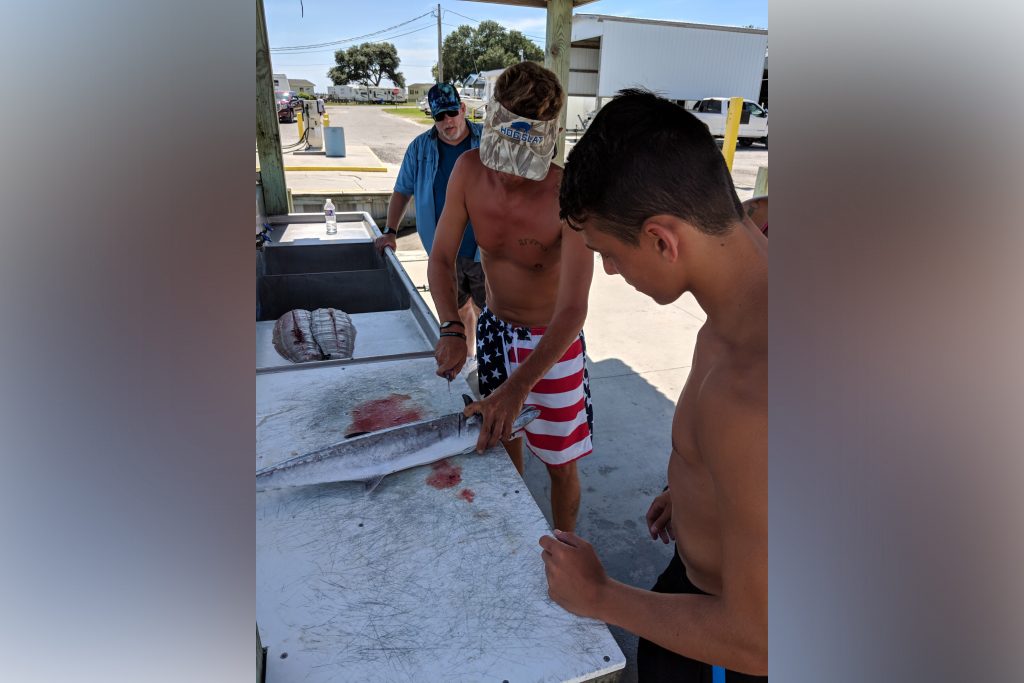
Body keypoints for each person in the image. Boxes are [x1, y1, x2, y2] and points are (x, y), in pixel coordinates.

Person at [538, 90, 768, 681]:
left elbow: (762, 638)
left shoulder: (753, 394)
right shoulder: (750, 274)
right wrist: (695, 485)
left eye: (608, 253)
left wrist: (600, 595)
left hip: (726, 646)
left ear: (663, 241)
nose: (610, 271)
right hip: (692, 578)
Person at [427, 62, 595, 533]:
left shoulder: (569, 194)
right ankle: (518, 539)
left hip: (553, 347)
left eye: (525, 161)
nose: (511, 173)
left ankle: (565, 546)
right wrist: (452, 327)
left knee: (561, 463)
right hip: (495, 332)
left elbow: (574, 309)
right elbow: (441, 258)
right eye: (503, 155)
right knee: (503, 448)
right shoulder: (467, 171)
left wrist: (519, 388)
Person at [374, 82, 486, 358]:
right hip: (444, 253)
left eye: (452, 112)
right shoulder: (419, 148)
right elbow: (402, 190)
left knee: (488, 313)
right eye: (439, 116)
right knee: (459, 310)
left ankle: (488, 363)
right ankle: (469, 358)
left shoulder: (488, 140)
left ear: (463, 108)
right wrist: (390, 231)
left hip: (486, 250)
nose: (448, 121)